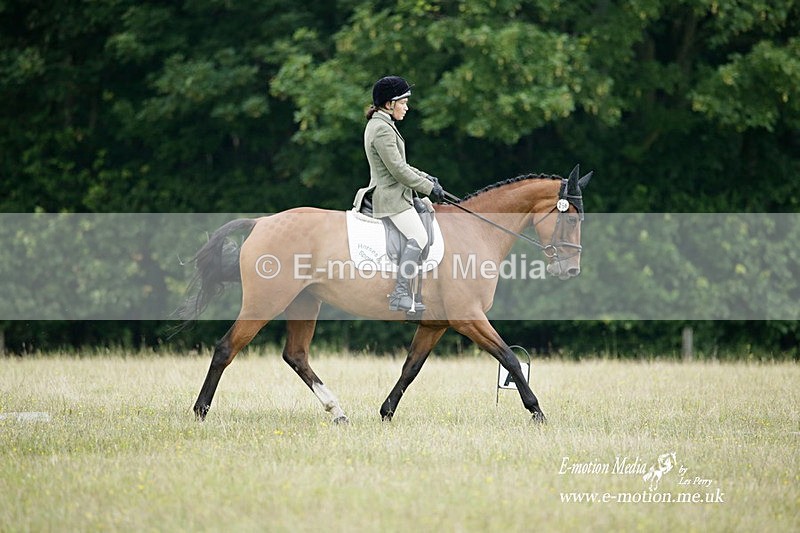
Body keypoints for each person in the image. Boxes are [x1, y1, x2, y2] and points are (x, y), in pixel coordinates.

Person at [353, 75, 445, 313]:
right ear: (388, 104)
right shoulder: (382, 129)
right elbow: (398, 170)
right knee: (420, 236)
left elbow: (401, 164)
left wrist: (427, 177)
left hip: (396, 192)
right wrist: (427, 188)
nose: (407, 107)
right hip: (390, 197)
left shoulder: (383, 124)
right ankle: (400, 293)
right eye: (403, 102)